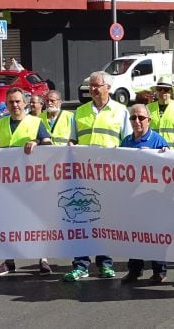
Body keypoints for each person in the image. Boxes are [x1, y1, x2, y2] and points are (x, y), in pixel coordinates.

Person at [65, 71, 131, 281]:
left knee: (104, 220)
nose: (93, 89)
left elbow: (127, 143)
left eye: (97, 86)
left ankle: (105, 263)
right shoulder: (80, 111)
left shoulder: (121, 111)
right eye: (90, 86)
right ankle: (81, 264)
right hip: (82, 175)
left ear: (108, 87)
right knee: (80, 219)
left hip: (109, 177)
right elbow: (73, 140)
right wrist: (70, 146)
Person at [0, 87, 51, 276]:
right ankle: (9, 260)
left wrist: (37, 143)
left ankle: (43, 258)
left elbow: (49, 144)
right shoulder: (1, 124)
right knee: (8, 221)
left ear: (24, 103)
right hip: (9, 182)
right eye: (11, 102)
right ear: (6, 105)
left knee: (35, 220)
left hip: (31, 180)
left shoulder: (36, 122)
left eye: (18, 101)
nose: (15, 105)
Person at [120, 104, 170, 284]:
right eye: (133, 118)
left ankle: (159, 270)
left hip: (154, 196)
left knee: (155, 234)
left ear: (149, 120)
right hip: (133, 196)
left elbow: (169, 168)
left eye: (141, 117)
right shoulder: (126, 141)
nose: (137, 121)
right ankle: (135, 269)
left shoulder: (158, 141)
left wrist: (157, 156)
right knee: (135, 234)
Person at [148, 79, 174, 148]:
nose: (162, 92)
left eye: (166, 89)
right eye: (159, 89)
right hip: (153, 151)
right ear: (156, 91)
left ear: (171, 91)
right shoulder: (148, 108)